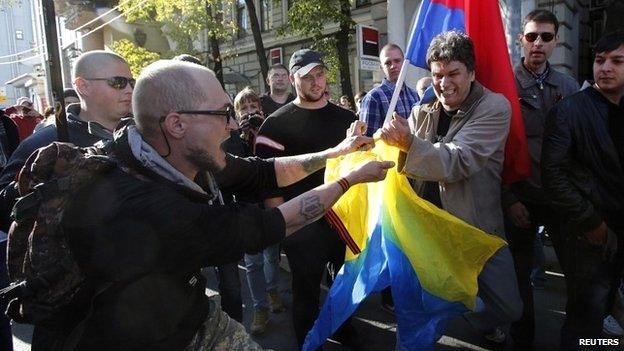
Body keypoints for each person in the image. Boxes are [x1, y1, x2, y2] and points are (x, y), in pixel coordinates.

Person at [46, 59, 391, 350]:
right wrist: (350, 179)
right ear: (176, 124)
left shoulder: (153, 150)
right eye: (223, 113)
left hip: (181, 312)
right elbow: (270, 224)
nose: (232, 125)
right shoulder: (154, 209)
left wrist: (336, 153)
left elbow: (261, 173)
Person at [379, 31, 522, 343]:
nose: (444, 84)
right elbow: (400, 162)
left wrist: (408, 143)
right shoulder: (421, 112)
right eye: (437, 75)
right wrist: (372, 145)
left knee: (509, 308)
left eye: (453, 73)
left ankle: (458, 318)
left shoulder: (495, 107)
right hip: (427, 233)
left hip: (476, 230)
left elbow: (459, 160)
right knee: (418, 318)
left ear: (471, 72)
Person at [255, 49, 361, 348]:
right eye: (307, 77)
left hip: (345, 218)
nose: (316, 82)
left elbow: (358, 162)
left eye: (320, 74)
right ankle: (307, 343)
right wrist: (283, 226)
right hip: (302, 223)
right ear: (292, 79)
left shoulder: (348, 119)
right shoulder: (275, 125)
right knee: (305, 291)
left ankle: (343, 326)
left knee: (345, 283)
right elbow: (267, 180)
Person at [541, 31, 624, 350]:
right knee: (584, 316)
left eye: (616, 61)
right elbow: (554, 176)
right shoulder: (569, 110)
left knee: (604, 312)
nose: (605, 68)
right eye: (600, 60)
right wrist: (592, 224)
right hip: (587, 235)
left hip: (617, 231)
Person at [503, 9, 579, 348]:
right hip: (521, 195)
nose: (538, 44)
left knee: (577, 274)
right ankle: (523, 339)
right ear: (521, 39)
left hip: (560, 198)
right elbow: (494, 148)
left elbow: (579, 145)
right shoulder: (502, 85)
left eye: (546, 37)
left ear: (555, 41)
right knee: (519, 278)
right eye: (531, 36)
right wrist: (509, 198)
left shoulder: (568, 86)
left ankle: (576, 339)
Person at [0, 50, 133, 232]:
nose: (129, 90)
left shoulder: (146, 133)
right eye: (118, 82)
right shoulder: (44, 141)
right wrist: (45, 185)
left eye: (131, 82)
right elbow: (4, 209)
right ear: (83, 86)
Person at [230, 86, 286, 335]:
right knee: (252, 262)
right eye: (244, 109)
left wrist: (263, 132)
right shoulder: (232, 138)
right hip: (246, 206)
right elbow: (230, 169)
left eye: (254, 107)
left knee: (272, 257)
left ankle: (273, 289)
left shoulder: (271, 131)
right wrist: (241, 137)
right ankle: (259, 307)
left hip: (268, 204)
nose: (250, 112)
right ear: (236, 113)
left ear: (261, 109)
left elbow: (278, 164)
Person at [359, 43, 419, 137]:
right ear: (381, 67)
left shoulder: (415, 95)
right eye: (388, 63)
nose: (393, 66)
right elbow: (367, 140)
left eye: (397, 61)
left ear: (404, 63)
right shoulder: (373, 97)